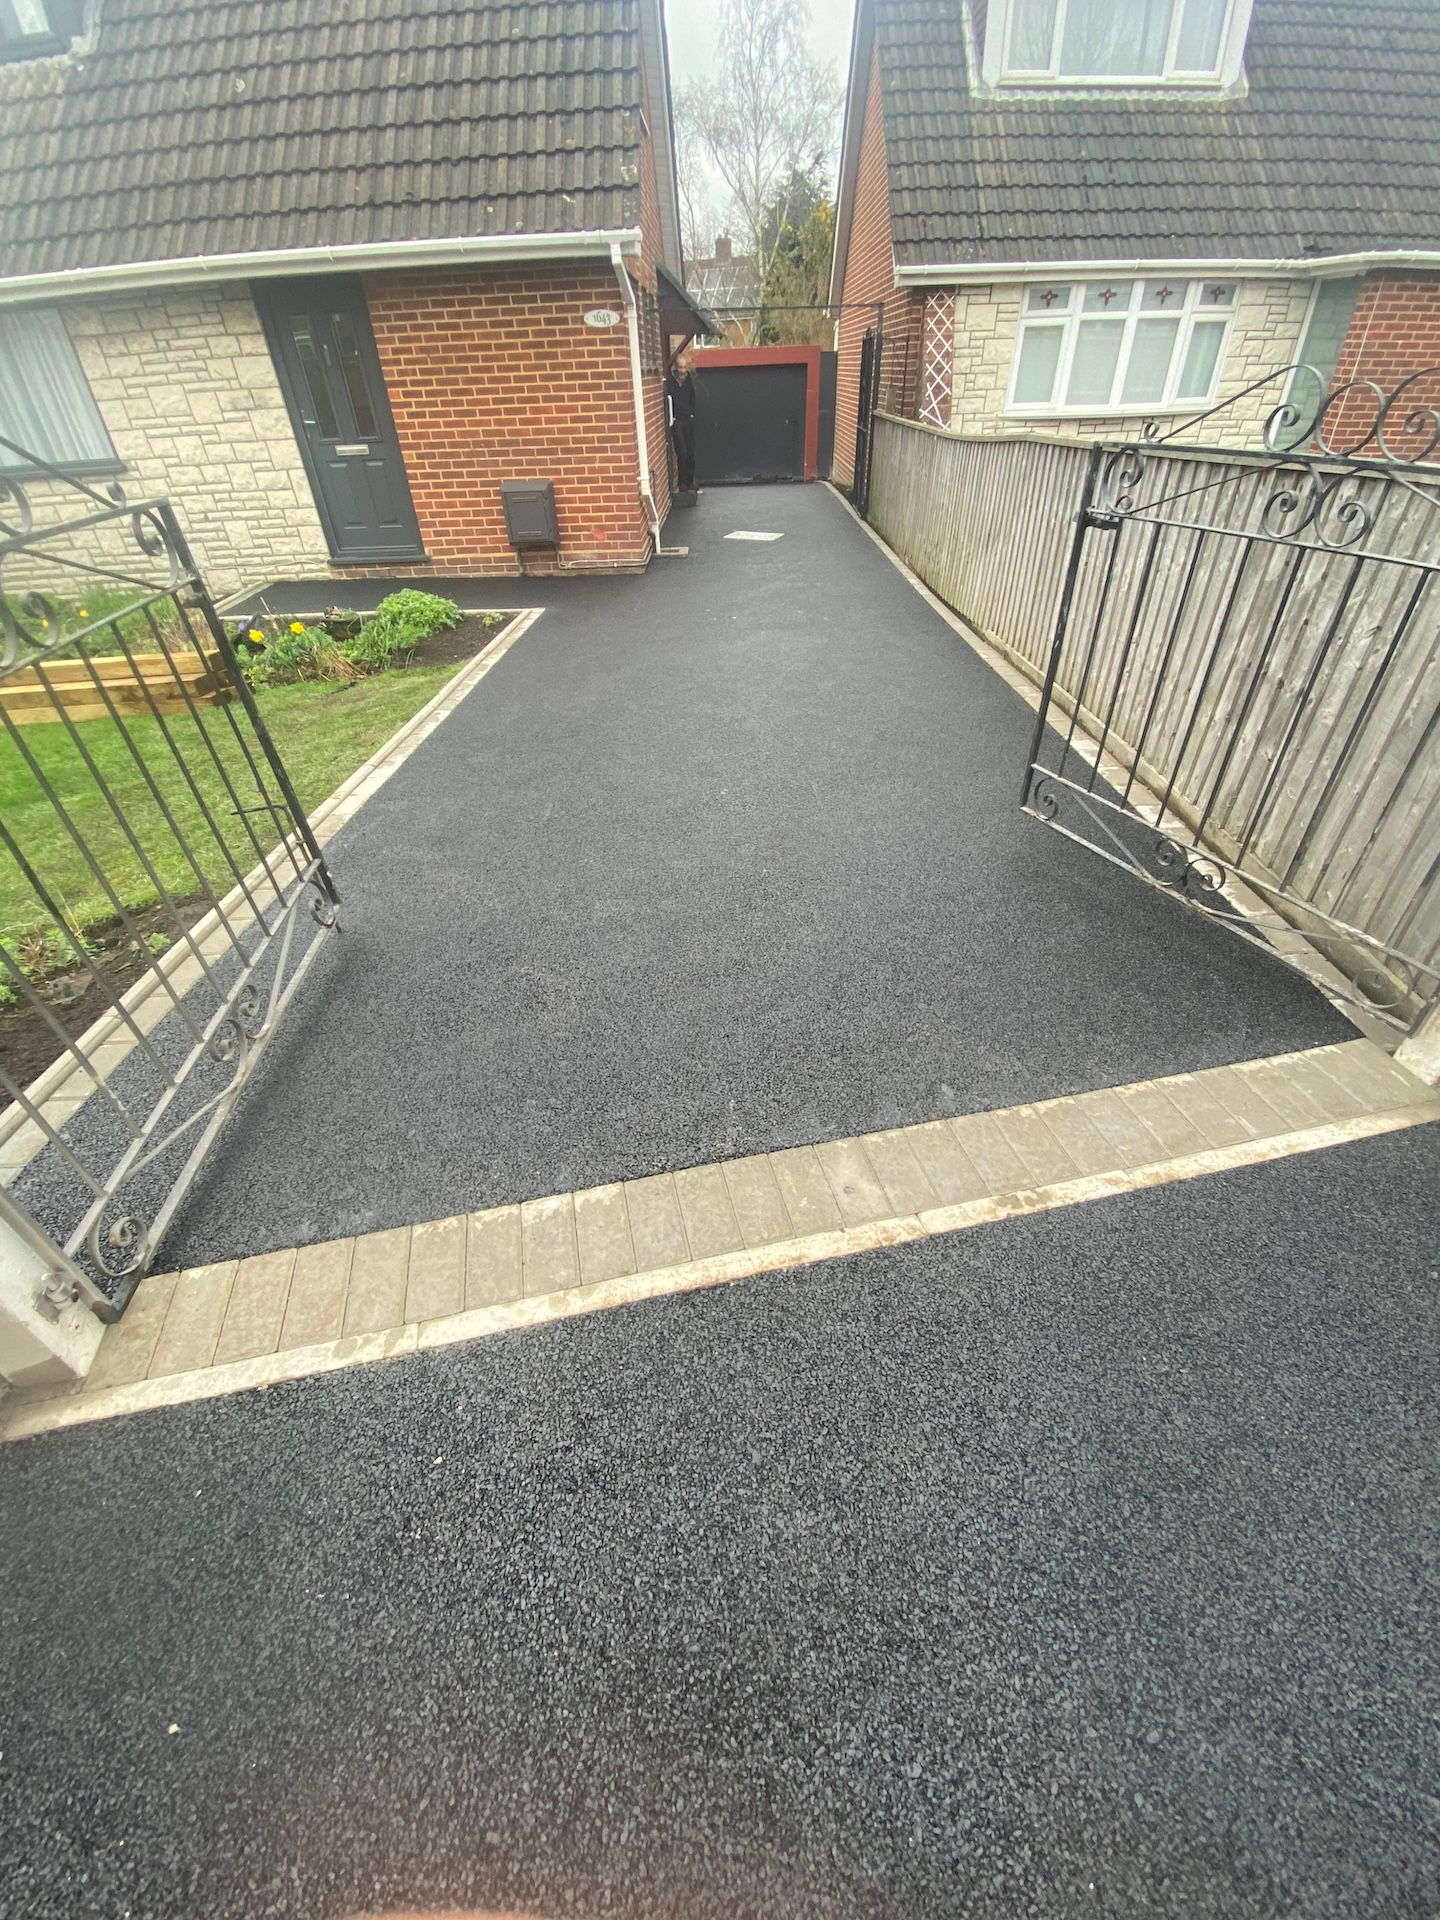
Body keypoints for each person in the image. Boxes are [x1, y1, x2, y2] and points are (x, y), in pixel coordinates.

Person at [665, 348, 697, 492]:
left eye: (685, 368)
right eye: (680, 368)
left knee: (690, 452)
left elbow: (692, 397)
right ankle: (682, 482)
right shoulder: (671, 381)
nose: (683, 371)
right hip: (677, 420)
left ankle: (690, 481)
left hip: (687, 419)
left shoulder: (689, 379)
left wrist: (691, 413)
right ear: (676, 367)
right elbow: (669, 398)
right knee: (682, 452)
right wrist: (673, 417)